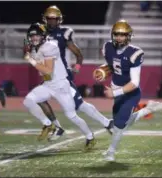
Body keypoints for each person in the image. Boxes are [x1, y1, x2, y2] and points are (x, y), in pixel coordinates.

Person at [35, 5, 114, 141]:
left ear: (59, 20)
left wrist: (76, 69)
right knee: (39, 99)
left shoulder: (63, 34)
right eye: (49, 19)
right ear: (45, 19)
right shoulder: (40, 33)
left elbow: (79, 55)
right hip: (48, 76)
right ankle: (57, 127)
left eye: (55, 19)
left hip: (61, 76)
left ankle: (107, 123)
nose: (52, 22)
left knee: (79, 105)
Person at [96, 20, 162, 161]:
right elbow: (114, 65)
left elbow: (134, 83)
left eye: (123, 35)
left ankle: (111, 152)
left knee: (118, 125)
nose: (119, 38)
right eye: (116, 34)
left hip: (130, 93)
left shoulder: (135, 53)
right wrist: (103, 70)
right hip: (116, 89)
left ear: (129, 36)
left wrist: (114, 93)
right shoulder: (107, 47)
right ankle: (147, 110)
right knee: (122, 123)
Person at [23, 23, 96, 150]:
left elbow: (48, 70)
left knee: (71, 116)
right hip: (48, 84)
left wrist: (31, 60)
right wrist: (30, 54)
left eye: (37, 36)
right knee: (29, 100)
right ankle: (48, 124)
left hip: (61, 85)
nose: (34, 39)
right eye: (32, 36)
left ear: (43, 36)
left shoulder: (50, 47)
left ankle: (90, 137)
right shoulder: (35, 49)